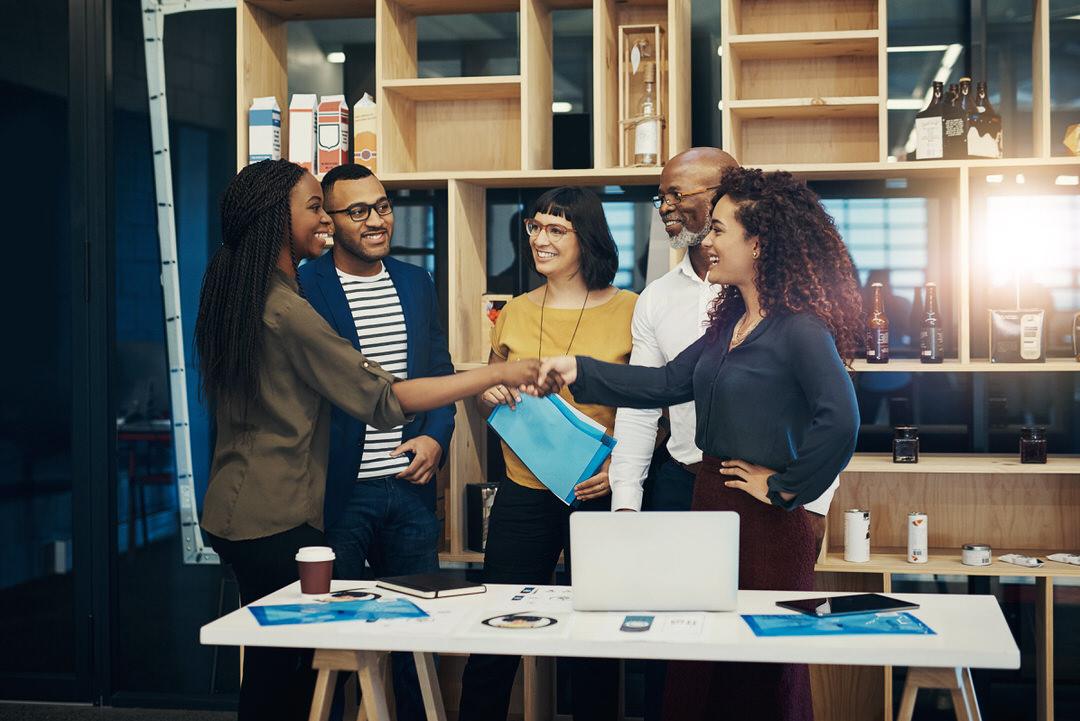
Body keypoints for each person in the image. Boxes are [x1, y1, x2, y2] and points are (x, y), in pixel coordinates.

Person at [196, 159, 551, 721]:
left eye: (382, 206)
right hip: (283, 510)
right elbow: (381, 396)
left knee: (278, 667)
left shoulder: (246, 288)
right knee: (292, 673)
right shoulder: (290, 305)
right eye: (319, 208)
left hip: (245, 503)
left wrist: (436, 438)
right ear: (279, 219)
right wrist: (498, 372)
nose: (328, 220)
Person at [540, 167, 862, 721]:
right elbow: (664, 384)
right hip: (711, 503)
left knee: (761, 675)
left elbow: (842, 421)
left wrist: (785, 489)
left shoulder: (800, 328)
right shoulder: (730, 323)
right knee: (700, 665)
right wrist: (578, 370)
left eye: (718, 230)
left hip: (767, 523)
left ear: (758, 243)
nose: (706, 241)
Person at [457, 186, 637, 721]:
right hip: (522, 491)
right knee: (496, 632)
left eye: (556, 229)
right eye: (535, 227)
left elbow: (655, 407)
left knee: (596, 643)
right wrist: (489, 391)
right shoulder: (513, 310)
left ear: (588, 238)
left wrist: (619, 469)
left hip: (597, 491)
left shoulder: (630, 309)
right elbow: (489, 391)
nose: (540, 239)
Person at [297, 163, 453, 721]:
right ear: (330, 222)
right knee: (335, 641)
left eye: (382, 206)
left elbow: (439, 373)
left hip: (409, 488)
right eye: (358, 211)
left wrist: (435, 439)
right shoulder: (305, 286)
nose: (376, 220)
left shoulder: (416, 281)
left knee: (415, 634)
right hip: (340, 492)